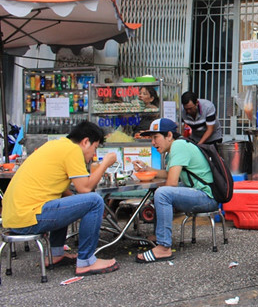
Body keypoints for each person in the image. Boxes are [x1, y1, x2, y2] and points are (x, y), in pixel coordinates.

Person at [2, 121, 119, 276]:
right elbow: (85, 188)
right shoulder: (72, 150)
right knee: (95, 200)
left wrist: (83, 208)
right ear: (85, 142)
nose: (93, 155)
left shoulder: (55, 146)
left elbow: (65, 194)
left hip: (15, 218)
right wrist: (105, 164)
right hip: (28, 217)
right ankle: (86, 261)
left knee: (66, 201)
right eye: (95, 148)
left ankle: (56, 254)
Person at [134, 118, 219, 263]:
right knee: (159, 190)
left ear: (168, 135)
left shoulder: (179, 146)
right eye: (151, 138)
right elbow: (169, 175)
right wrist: (147, 169)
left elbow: (172, 183)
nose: (153, 143)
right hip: (198, 193)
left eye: (156, 138)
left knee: (163, 192)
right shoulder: (177, 146)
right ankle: (159, 235)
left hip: (207, 197)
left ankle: (164, 247)